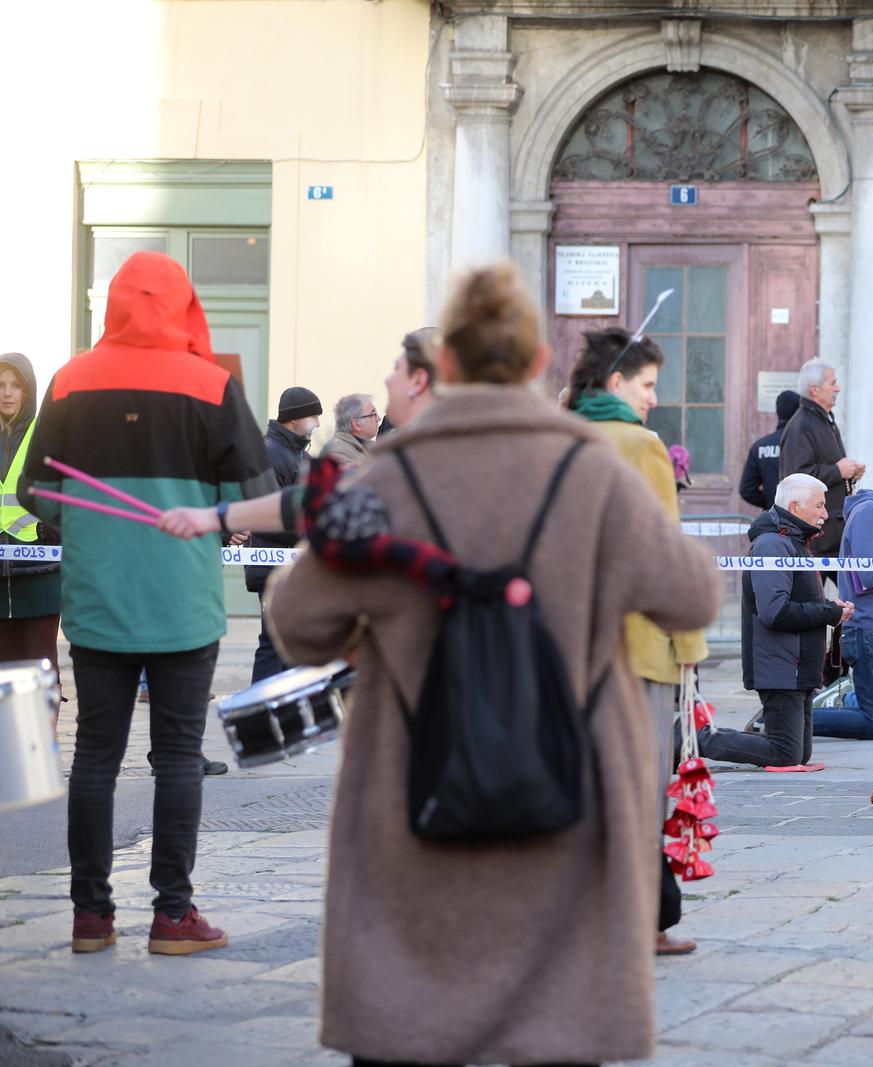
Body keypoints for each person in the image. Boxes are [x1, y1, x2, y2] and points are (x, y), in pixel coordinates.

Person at [267, 262, 721, 1067]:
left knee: (408, 1029)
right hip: (569, 793)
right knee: (557, 1034)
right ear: (539, 364)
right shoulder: (593, 473)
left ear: (442, 370)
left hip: (416, 797)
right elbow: (689, 596)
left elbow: (300, 623)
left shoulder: (387, 478)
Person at [20, 251, 275, 957]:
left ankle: (90, 917)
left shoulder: (70, 382)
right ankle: (172, 915)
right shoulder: (212, 382)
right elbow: (253, 488)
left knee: (96, 758)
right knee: (178, 758)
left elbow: (33, 492)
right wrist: (210, 511)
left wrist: (90, 525)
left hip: (98, 598)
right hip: (182, 601)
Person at [563, 326, 710, 958]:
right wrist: (690, 650)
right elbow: (662, 554)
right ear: (617, 384)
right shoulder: (641, 446)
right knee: (640, 792)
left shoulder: (558, 437)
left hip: (566, 644)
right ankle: (634, 924)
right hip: (639, 644)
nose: (654, 398)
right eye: (648, 385)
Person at [156, 327, 440, 541]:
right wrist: (214, 518)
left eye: (396, 369)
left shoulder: (418, 461)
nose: (388, 380)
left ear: (419, 382)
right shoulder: (401, 457)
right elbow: (297, 504)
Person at [699, 473, 851, 769]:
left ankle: (702, 736)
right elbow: (775, 612)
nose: (825, 514)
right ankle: (694, 738)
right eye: (819, 506)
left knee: (798, 753)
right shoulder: (772, 545)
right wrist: (828, 612)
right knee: (785, 753)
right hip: (781, 667)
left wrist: (828, 608)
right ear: (795, 507)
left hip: (796, 666)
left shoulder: (793, 541)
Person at [812, 489, 873, 741]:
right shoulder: (869, 512)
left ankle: (794, 717)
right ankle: (787, 720)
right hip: (871, 628)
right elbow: (870, 574)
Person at [244, 387, 321, 683]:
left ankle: (282, 711)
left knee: (290, 643)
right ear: (294, 419)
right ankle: (261, 711)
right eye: (313, 415)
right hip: (272, 567)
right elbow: (266, 516)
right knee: (274, 644)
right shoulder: (270, 454)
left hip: (294, 567)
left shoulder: (299, 453)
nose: (316, 422)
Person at [0, 353, 61, 682]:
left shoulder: (45, 434)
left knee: (42, 671)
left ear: (28, 391)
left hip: (40, 573)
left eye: (16, 386)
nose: (7, 393)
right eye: (1, 386)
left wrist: (57, 525)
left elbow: (69, 491)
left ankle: (44, 737)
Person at [779, 360, 864, 556]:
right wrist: (838, 471)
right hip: (815, 537)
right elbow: (795, 478)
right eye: (832, 383)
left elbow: (824, 467)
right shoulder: (801, 426)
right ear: (815, 390)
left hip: (831, 531)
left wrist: (849, 473)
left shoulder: (823, 420)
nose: (838, 388)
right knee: (811, 588)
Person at [739, 389, 800, 511]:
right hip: (800, 515)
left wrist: (770, 502)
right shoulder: (804, 444)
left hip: (773, 516)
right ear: (798, 412)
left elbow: (747, 490)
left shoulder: (760, 446)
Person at [321, 393, 380, 468]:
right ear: (357, 424)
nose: (378, 418)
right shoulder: (338, 451)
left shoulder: (366, 445)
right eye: (373, 414)